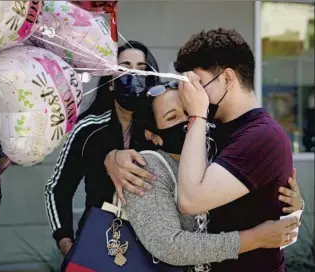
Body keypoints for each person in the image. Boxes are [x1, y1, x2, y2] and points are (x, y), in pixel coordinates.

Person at [120, 83, 302, 271]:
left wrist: (294, 207)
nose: (187, 121)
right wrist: (255, 238)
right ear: (153, 136)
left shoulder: (216, 152)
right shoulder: (147, 168)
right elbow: (169, 245)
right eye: (172, 117)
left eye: (187, 110)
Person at [173, 28, 302, 271]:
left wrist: (198, 115)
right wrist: (115, 157)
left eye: (200, 84)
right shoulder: (212, 126)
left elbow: (191, 201)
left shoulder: (263, 138)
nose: (193, 94)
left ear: (228, 78)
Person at [44, 40, 159, 256]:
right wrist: (66, 243)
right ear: (111, 81)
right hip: (98, 241)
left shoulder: (161, 128)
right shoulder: (89, 128)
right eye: (124, 69)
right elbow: (57, 189)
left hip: (152, 246)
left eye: (141, 70)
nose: (133, 77)